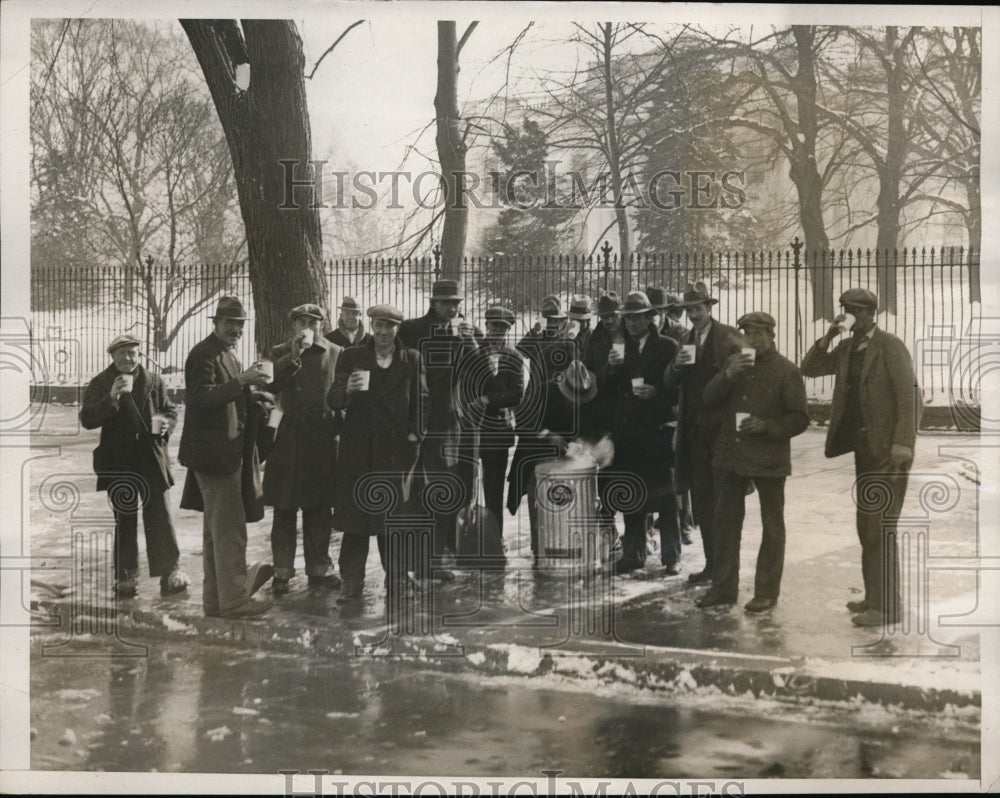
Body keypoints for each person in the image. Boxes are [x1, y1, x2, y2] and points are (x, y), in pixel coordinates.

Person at [801, 288, 921, 627]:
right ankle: (875, 597)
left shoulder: (890, 346)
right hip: (864, 451)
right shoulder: (847, 347)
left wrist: (903, 442)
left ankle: (888, 608)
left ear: (870, 313)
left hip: (888, 451)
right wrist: (829, 334)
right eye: (844, 309)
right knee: (866, 527)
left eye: (853, 310)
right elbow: (809, 368)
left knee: (881, 527)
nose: (848, 314)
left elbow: (910, 396)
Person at [696, 312, 809, 611]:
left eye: (761, 333)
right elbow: (707, 399)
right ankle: (723, 590)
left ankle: (766, 592)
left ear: (772, 336)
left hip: (769, 458)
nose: (754, 339)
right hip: (732, 456)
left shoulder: (786, 370)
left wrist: (767, 426)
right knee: (725, 526)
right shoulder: (735, 365)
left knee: (772, 527)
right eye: (749, 333)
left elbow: (799, 418)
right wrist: (726, 376)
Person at [178, 296, 275, 619]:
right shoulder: (203, 355)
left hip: (225, 455)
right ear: (216, 324)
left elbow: (228, 394)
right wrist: (243, 382)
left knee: (216, 532)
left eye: (239, 324)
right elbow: (201, 399)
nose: (235, 329)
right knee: (230, 530)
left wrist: (252, 394)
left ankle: (216, 601)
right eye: (229, 323)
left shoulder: (225, 354)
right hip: (216, 457)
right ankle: (234, 601)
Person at [328, 304, 428, 605]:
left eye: (390, 326)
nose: (383, 332)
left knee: (393, 520)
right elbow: (332, 400)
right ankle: (351, 583)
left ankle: (397, 578)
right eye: (378, 325)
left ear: (398, 329)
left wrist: (415, 436)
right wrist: (346, 389)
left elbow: (422, 404)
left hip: (396, 453)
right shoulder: (352, 356)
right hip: (359, 451)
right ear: (370, 326)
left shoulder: (411, 358)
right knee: (356, 524)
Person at [80, 334, 189, 598]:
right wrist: (112, 398)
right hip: (119, 460)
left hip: (151, 457)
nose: (128, 358)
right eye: (122, 354)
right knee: (125, 519)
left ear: (139, 355)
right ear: (113, 357)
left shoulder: (153, 379)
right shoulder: (101, 382)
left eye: (132, 353)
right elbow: (87, 418)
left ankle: (170, 572)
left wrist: (165, 424)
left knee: (160, 517)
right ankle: (126, 577)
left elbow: (170, 410)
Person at [397, 279, 480, 579]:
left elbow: (480, 372)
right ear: (433, 303)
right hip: (415, 424)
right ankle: (407, 562)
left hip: (448, 428)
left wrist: (469, 341)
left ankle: (433, 560)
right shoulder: (411, 330)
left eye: (456, 303)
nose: (453, 308)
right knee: (412, 495)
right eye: (447, 302)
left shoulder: (463, 334)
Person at [662, 282, 742, 585]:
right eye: (689, 309)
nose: (693, 314)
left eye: (698, 308)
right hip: (694, 434)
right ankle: (711, 566)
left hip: (722, 433)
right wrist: (677, 366)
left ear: (709, 307)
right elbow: (669, 381)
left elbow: (744, 378)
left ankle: (725, 571)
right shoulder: (685, 338)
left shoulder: (729, 337)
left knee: (725, 504)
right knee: (703, 503)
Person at [263, 304, 343, 596]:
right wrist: (293, 355)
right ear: (293, 326)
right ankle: (281, 571)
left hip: (321, 440)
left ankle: (319, 569)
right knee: (284, 509)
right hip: (289, 441)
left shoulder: (335, 352)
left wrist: (337, 427)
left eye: (313, 322)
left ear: (322, 325)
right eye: (301, 322)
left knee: (319, 509)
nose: (307, 327)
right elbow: (271, 384)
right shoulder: (280, 352)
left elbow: (341, 393)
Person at [606, 292, 680, 576]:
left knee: (665, 498)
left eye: (638, 317)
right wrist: (611, 368)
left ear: (651, 318)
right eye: (628, 318)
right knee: (631, 496)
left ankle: (671, 555)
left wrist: (656, 394)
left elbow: (677, 389)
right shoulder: (620, 347)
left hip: (656, 431)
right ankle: (633, 554)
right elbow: (608, 389)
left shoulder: (667, 347)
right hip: (628, 433)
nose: (633, 323)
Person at [507, 359, 602, 562]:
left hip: (568, 460)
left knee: (570, 504)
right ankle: (539, 549)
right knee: (540, 503)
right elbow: (522, 421)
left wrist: (584, 445)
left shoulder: (588, 395)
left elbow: (591, 426)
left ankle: (569, 545)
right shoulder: (542, 392)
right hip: (536, 457)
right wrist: (547, 434)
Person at [467, 306, 524, 537]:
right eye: (494, 326)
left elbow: (517, 394)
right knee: (466, 489)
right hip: (470, 429)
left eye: (503, 327)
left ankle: (493, 540)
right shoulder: (471, 352)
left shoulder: (514, 357)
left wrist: (488, 399)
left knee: (493, 489)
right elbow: (463, 386)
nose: (498, 331)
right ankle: (465, 539)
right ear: (486, 326)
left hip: (498, 432)